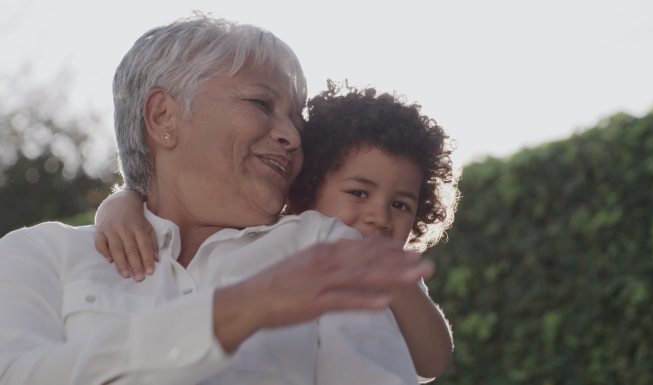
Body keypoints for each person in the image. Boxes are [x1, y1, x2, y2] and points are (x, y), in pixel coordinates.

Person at [0, 15, 434, 385]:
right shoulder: (40, 255)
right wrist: (236, 311)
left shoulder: (324, 248)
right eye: (262, 103)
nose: (292, 135)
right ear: (163, 116)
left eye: (296, 119)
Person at [95, 82, 458, 380]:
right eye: (358, 193)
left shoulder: (395, 276)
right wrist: (122, 202)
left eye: (401, 205)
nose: (379, 216)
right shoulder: (271, 237)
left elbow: (432, 361)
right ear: (307, 188)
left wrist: (400, 284)